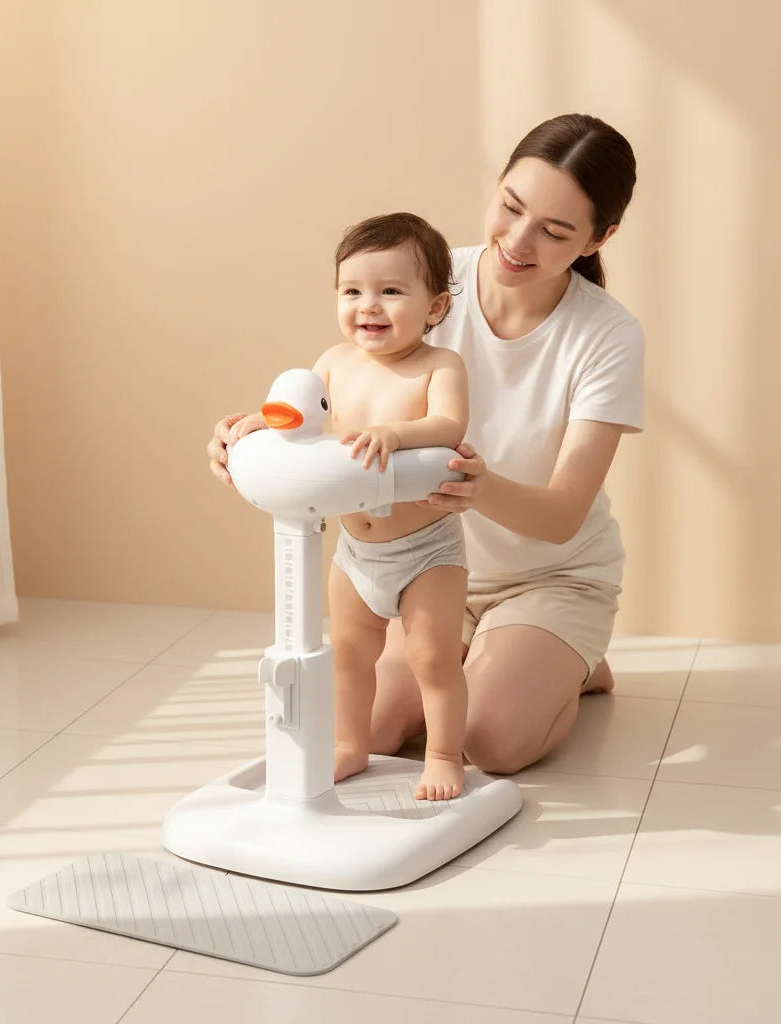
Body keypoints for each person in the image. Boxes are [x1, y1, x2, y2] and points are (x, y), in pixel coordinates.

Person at [209, 113, 643, 779]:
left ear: (599, 238)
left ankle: (568, 663)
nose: (518, 241)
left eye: (555, 231)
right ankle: (509, 661)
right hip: (419, 566)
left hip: (549, 575)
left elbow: (561, 518)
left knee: (488, 741)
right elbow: (348, 397)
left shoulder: (606, 335)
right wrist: (260, 434)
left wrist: (478, 485)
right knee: (374, 730)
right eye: (510, 207)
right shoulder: (428, 278)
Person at [229, 212, 471, 800]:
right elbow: (303, 418)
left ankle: (443, 754)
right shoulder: (333, 363)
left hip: (426, 551)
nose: (370, 306)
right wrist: (260, 422)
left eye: (391, 291)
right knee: (349, 656)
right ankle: (348, 744)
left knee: (431, 657)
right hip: (356, 550)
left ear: (436, 307)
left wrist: (396, 432)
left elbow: (448, 424)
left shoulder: (440, 366)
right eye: (353, 290)